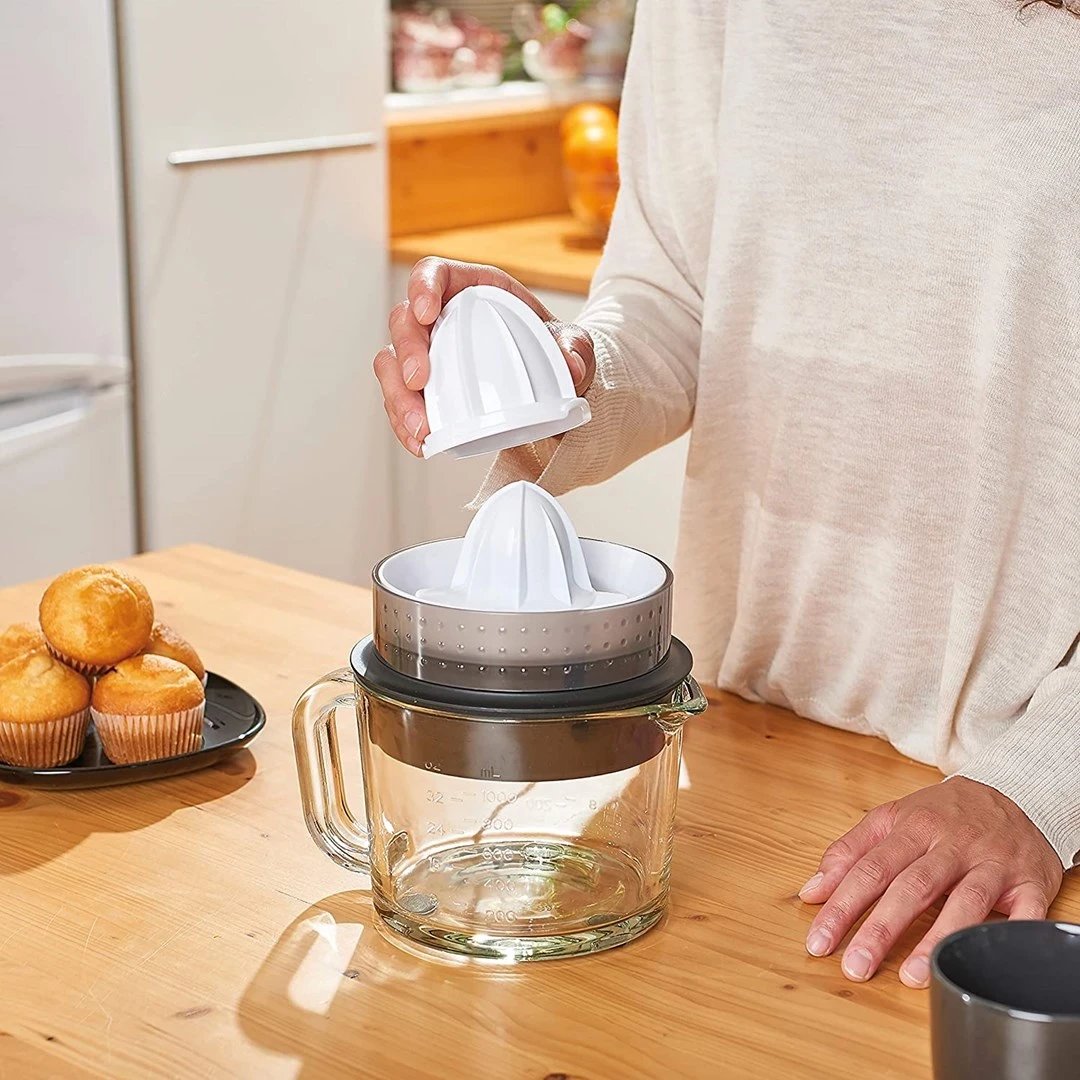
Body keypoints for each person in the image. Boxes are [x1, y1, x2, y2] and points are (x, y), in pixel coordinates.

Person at [374, 0, 1079, 988]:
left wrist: (1038, 784)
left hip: (1023, 816)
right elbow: (675, 294)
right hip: (746, 738)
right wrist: (563, 372)